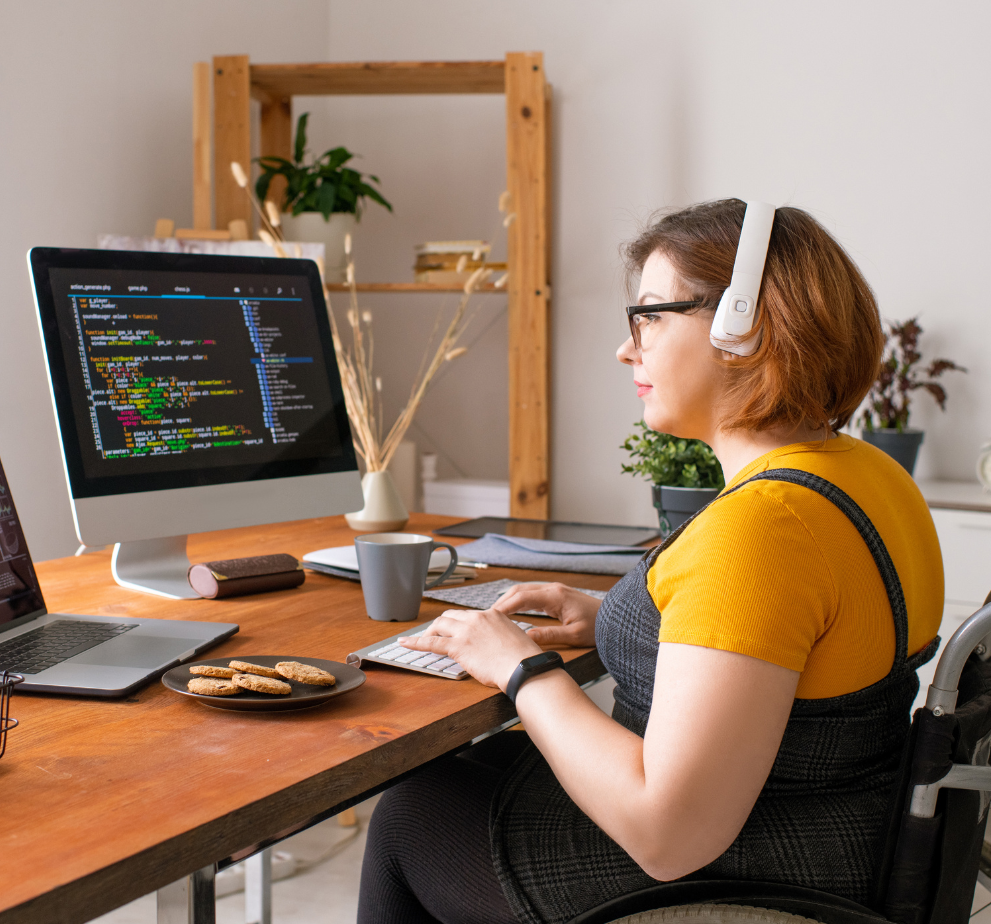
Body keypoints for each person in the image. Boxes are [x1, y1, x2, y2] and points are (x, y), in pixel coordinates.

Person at [356, 199, 944, 924]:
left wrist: (520, 669)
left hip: (752, 866)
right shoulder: (866, 473)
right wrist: (619, 619)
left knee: (411, 817)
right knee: (459, 775)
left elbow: (668, 835)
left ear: (744, 325)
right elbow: (794, 644)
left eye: (651, 317)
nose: (626, 348)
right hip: (839, 829)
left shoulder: (762, 528)